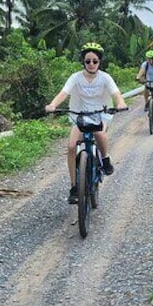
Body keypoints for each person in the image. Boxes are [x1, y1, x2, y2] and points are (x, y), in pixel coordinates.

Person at [45, 42, 128, 204]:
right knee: (70, 147)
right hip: (80, 116)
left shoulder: (105, 77)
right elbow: (64, 92)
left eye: (95, 61)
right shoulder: (75, 77)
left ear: (99, 62)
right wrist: (53, 105)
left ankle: (105, 158)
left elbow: (116, 94)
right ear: (83, 61)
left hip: (100, 115)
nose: (91, 64)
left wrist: (120, 104)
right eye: (88, 61)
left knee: (99, 133)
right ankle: (74, 187)